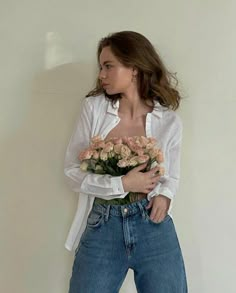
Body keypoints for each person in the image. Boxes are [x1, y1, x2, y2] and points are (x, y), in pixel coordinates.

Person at [64, 31, 188, 293]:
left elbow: (171, 177)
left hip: (153, 225)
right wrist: (122, 183)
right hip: (103, 225)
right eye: (101, 67)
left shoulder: (169, 122)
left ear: (134, 68)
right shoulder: (94, 109)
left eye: (109, 66)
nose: (101, 75)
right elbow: (71, 172)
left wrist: (165, 195)